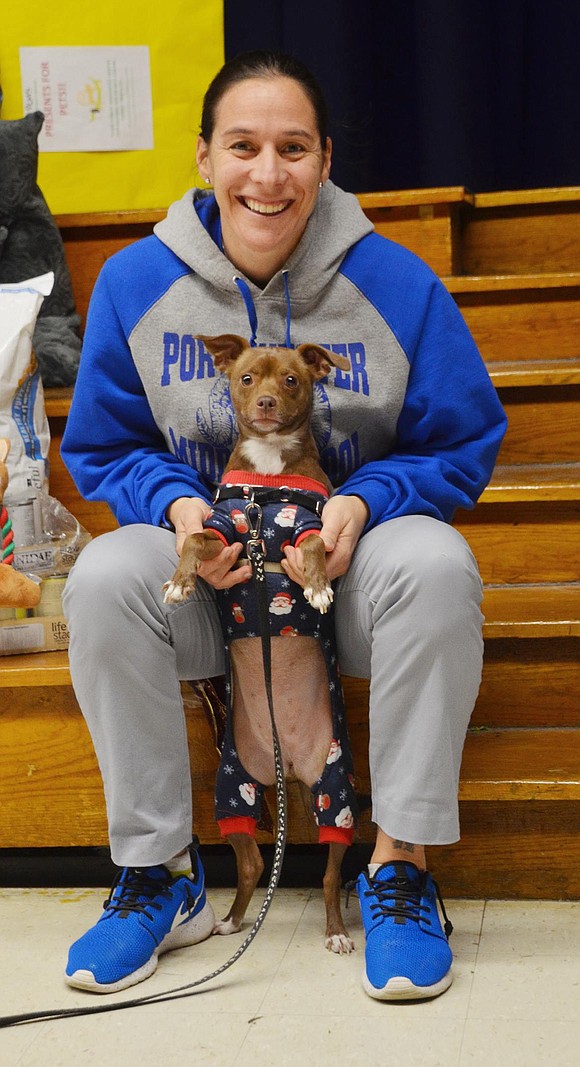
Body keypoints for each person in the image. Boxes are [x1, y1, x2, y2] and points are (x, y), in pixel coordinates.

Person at [61, 49, 507, 1001]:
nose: (268, 173)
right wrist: (177, 504)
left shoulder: (396, 281)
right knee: (101, 575)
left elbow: (465, 439)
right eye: (244, 146)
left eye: (293, 148)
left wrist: (362, 502)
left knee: (436, 561)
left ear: (325, 160)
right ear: (205, 159)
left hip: (337, 576)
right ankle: (158, 876)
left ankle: (400, 868)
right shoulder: (138, 282)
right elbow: (100, 447)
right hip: (206, 578)